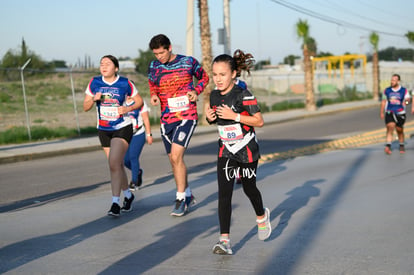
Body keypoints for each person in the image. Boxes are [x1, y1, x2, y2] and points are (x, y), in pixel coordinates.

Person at [206, 50, 271, 255]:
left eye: (222, 74)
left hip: (246, 150)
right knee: (224, 194)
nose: (218, 79)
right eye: (215, 74)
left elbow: (259, 121)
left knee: (249, 188)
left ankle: (261, 216)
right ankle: (224, 240)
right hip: (226, 149)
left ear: (233, 74)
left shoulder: (244, 95)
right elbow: (217, 118)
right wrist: (209, 117)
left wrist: (235, 116)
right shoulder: (214, 95)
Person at [147, 34, 209, 216]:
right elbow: (152, 82)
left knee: (176, 156)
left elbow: (204, 78)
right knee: (174, 161)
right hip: (167, 119)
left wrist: (196, 91)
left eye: (161, 53)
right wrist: (153, 94)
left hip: (186, 116)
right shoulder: (153, 66)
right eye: (156, 54)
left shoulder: (188, 62)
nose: (159, 57)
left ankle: (180, 199)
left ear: (170, 48)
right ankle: (188, 194)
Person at [83, 55, 143, 217]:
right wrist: (93, 99)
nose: (103, 66)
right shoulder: (94, 82)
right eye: (101, 64)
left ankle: (115, 203)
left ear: (116, 68)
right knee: (115, 166)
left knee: (114, 163)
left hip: (122, 127)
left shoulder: (125, 83)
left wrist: (127, 109)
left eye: (107, 64)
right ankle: (128, 196)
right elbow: (85, 106)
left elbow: (139, 101)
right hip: (103, 129)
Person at [124, 98, 153, 190]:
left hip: (138, 133)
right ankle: (138, 172)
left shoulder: (139, 102)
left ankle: (134, 182)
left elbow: (146, 119)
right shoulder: (121, 101)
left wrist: (149, 134)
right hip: (125, 134)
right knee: (125, 160)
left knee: (133, 157)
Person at [380, 74, 411, 155]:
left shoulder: (404, 90)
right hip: (389, 112)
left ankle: (401, 144)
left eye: (394, 80)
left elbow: (408, 100)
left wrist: (406, 102)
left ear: (398, 81)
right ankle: (388, 146)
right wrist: (381, 112)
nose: (392, 81)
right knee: (390, 127)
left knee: (399, 130)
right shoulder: (387, 90)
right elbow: (383, 101)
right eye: (391, 80)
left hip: (400, 113)